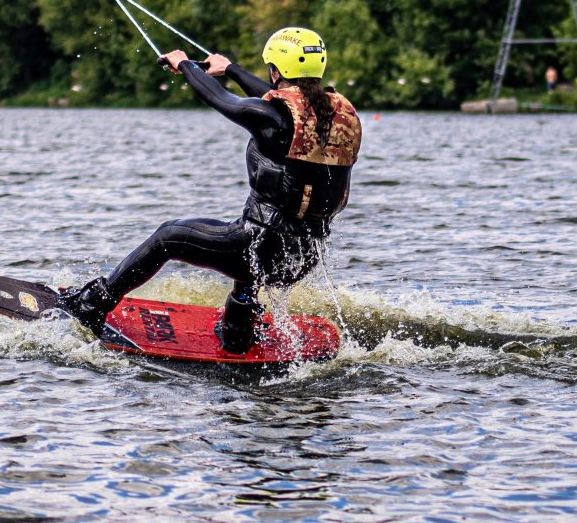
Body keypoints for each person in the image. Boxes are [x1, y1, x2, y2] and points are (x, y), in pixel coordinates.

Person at [57, 27, 362, 353]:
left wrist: (184, 64)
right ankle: (238, 330)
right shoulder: (337, 113)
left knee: (170, 236)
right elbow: (277, 103)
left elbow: (223, 100)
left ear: (275, 70)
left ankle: (93, 303)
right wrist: (229, 68)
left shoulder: (271, 119)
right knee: (251, 259)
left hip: (261, 250)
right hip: (304, 256)